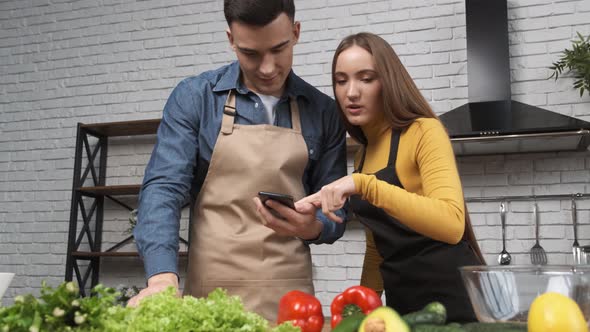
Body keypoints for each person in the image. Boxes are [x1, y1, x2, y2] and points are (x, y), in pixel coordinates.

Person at [128, 0, 347, 321]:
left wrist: (313, 226)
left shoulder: (323, 111)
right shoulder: (196, 98)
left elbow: (336, 209)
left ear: (296, 32)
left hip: (291, 302)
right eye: (251, 53)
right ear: (231, 40)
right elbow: (163, 188)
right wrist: (161, 276)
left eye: (279, 49)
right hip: (210, 299)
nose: (268, 67)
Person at [296, 32, 485, 322]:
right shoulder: (363, 154)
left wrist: (364, 184)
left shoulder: (424, 131)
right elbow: (377, 248)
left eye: (366, 78)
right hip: (402, 308)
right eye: (341, 80)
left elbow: (451, 224)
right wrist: (359, 311)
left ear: (388, 81)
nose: (351, 92)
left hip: (455, 304)